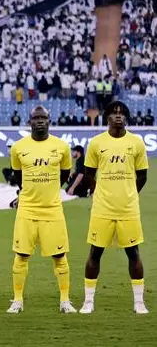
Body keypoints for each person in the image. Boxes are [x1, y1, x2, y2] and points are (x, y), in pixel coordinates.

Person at [80, 100, 148, 315]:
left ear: (126, 117)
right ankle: (88, 301)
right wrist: (100, 191)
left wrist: (128, 192)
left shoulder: (136, 143)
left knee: (134, 254)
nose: (118, 116)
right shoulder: (97, 143)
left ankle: (139, 302)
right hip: (102, 208)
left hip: (128, 209)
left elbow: (143, 175)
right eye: (113, 113)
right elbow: (89, 173)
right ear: (106, 117)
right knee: (95, 253)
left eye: (121, 113)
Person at [7, 106, 76, 314]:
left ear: (49, 120)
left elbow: (65, 175)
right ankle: (17, 300)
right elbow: (19, 177)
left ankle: (65, 301)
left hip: (52, 209)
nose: (39, 121)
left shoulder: (61, 147)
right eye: (35, 118)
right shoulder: (18, 148)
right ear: (29, 121)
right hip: (27, 210)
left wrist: (51, 191)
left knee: (60, 256)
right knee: (21, 256)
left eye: (43, 118)